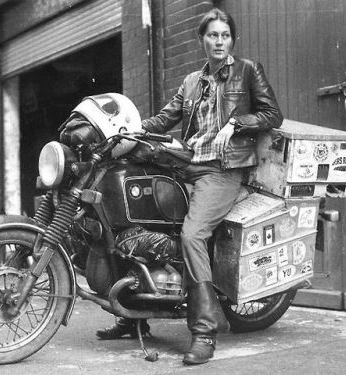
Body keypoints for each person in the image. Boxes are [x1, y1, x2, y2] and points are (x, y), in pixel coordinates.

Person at [96, 7, 283, 365]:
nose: (218, 41)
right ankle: (132, 313)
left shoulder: (247, 71)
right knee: (138, 216)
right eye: (212, 35)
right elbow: (166, 118)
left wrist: (239, 122)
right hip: (188, 166)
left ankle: (204, 333)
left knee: (193, 235)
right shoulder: (191, 82)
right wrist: (126, 131)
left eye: (224, 35)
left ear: (232, 40)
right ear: (202, 39)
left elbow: (272, 114)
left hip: (224, 171)